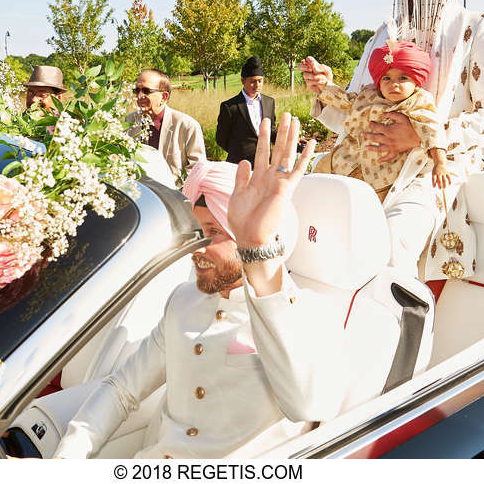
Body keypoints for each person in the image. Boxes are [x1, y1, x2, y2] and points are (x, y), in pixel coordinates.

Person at [54, 114, 353, 459]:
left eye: (214, 232)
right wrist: (67, 459)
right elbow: (122, 389)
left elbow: (308, 404)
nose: (196, 248)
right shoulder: (183, 300)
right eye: (195, 232)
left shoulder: (310, 312)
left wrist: (257, 248)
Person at [300, 0, 484, 283]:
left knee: (390, 246)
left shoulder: (478, 27)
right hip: (362, 164)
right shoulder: (386, 34)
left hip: (434, 170)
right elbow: (355, 112)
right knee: (309, 232)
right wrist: (326, 89)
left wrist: (421, 136)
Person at [307, 39, 450, 202]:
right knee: (322, 189)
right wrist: (325, 86)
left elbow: (432, 129)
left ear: (416, 82)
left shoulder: (418, 101)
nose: (394, 84)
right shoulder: (369, 93)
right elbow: (346, 101)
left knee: (365, 206)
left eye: (403, 78)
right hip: (347, 157)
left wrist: (440, 162)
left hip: (382, 173)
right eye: (386, 78)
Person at [126, 69, 206, 187]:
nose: (139, 96)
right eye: (137, 90)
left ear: (163, 97)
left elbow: (198, 168)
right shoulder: (129, 121)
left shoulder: (187, 125)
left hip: (173, 198)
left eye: (146, 91)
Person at [215, 56, 276, 167]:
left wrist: (288, 139)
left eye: (260, 81)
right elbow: (221, 138)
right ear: (243, 80)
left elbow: (271, 130)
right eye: (253, 81)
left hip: (266, 162)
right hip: (238, 164)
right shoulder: (229, 106)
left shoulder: (269, 102)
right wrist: (238, 151)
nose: (257, 85)